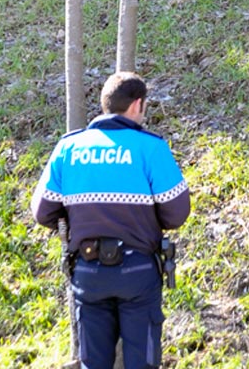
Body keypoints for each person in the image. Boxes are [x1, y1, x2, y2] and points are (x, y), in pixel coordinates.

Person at [31, 72, 191, 369]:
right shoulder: (151, 148)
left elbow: (42, 211)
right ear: (137, 105)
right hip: (139, 270)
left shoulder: (69, 148)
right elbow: (176, 212)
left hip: (88, 270)